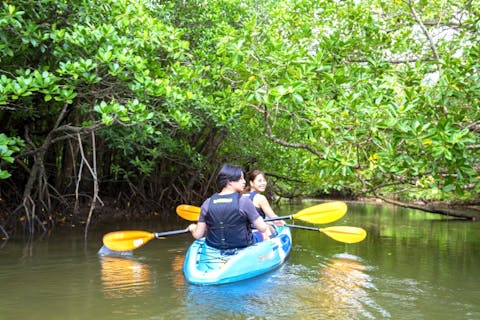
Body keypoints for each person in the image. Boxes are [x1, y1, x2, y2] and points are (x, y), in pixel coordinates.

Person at [187, 164, 273, 250]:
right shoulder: (244, 202)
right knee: (264, 233)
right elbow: (262, 228)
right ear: (229, 182)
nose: (244, 181)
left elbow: (198, 235)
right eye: (240, 178)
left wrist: (192, 228)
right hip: (243, 245)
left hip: (214, 247)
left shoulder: (207, 203)